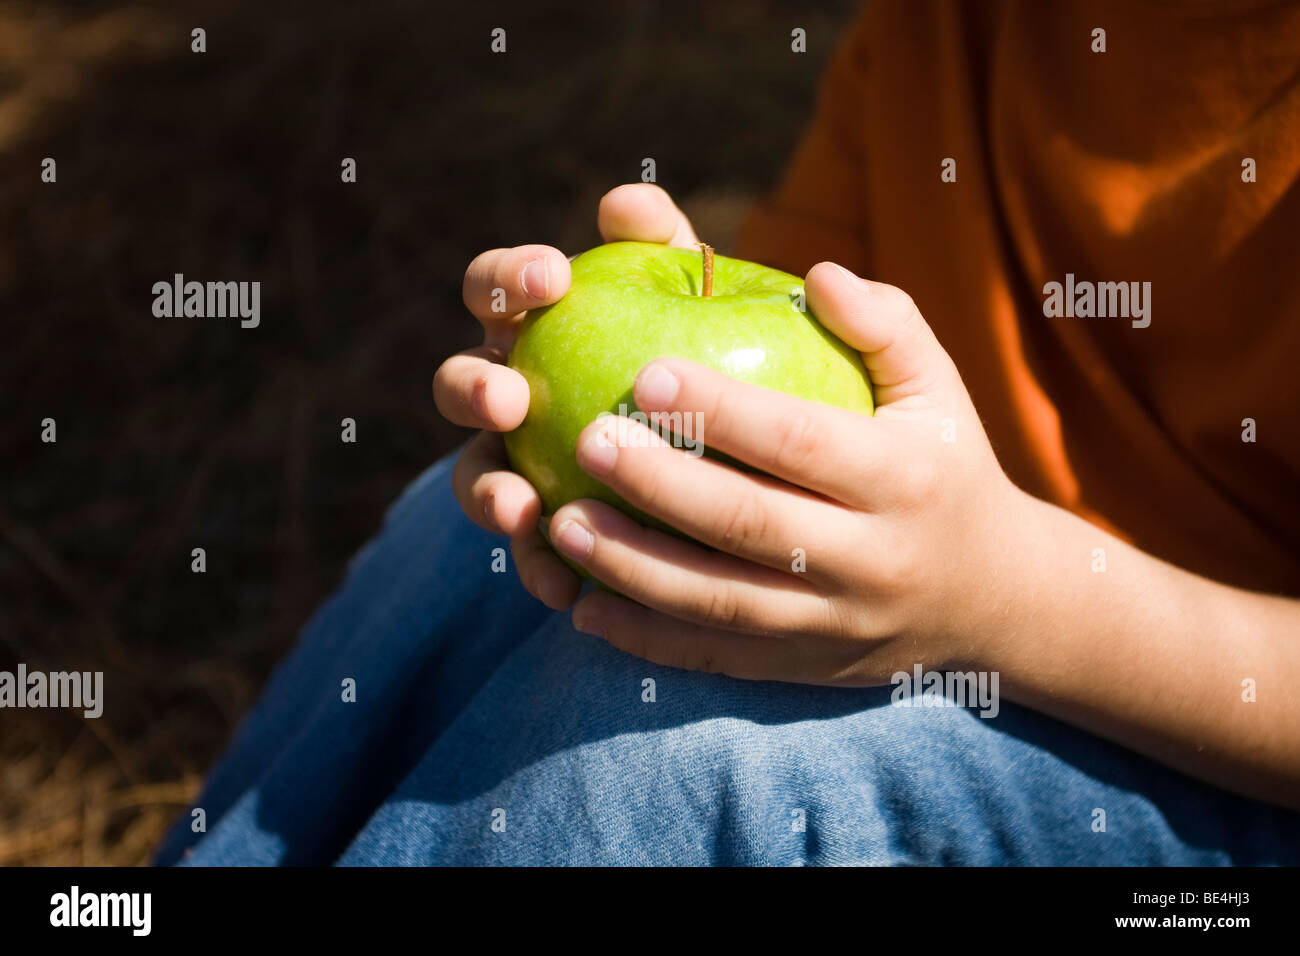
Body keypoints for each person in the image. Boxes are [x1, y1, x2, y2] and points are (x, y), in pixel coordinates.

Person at [157, 2, 1300, 865]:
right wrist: (579, 403)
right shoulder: (948, 28)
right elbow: (787, 308)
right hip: (948, 603)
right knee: (471, 541)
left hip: (1223, 762)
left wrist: (1004, 600)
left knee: (676, 756)